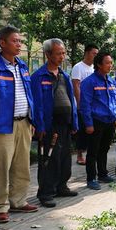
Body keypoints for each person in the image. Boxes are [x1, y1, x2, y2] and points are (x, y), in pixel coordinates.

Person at [0, 26, 37, 223]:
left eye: (20, 41)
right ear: (2, 43)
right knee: (1, 167)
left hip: (24, 123)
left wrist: (32, 119)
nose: (19, 44)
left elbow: (29, 95)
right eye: (15, 41)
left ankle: (18, 201)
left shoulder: (22, 66)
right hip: (2, 127)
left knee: (22, 165)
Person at [31, 38, 79, 208]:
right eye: (59, 53)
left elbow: (71, 100)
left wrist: (74, 122)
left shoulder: (64, 75)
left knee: (65, 157)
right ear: (48, 54)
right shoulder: (38, 76)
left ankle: (62, 186)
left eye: (63, 53)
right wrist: (40, 126)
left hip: (65, 124)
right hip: (49, 126)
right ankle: (46, 193)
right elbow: (36, 104)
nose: (62, 56)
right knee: (48, 160)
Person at [80, 52, 116, 190]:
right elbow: (85, 104)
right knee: (93, 151)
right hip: (96, 121)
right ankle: (91, 178)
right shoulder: (89, 82)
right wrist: (88, 124)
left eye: (111, 63)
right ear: (99, 64)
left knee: (104, 149)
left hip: (109, 121)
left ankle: (103, 174)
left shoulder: (111, 81)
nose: (110, 65)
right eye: (107, 63)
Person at [71, 44, 99, 165]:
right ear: (87, 53)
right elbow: (76, 85)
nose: (96, 56)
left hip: (93, 105)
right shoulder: (78, 67)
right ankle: (79, 154)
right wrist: (80, 103)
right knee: (82, 131)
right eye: (94, 53)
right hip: (82, 104)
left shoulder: (94, 68)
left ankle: (90, 154)